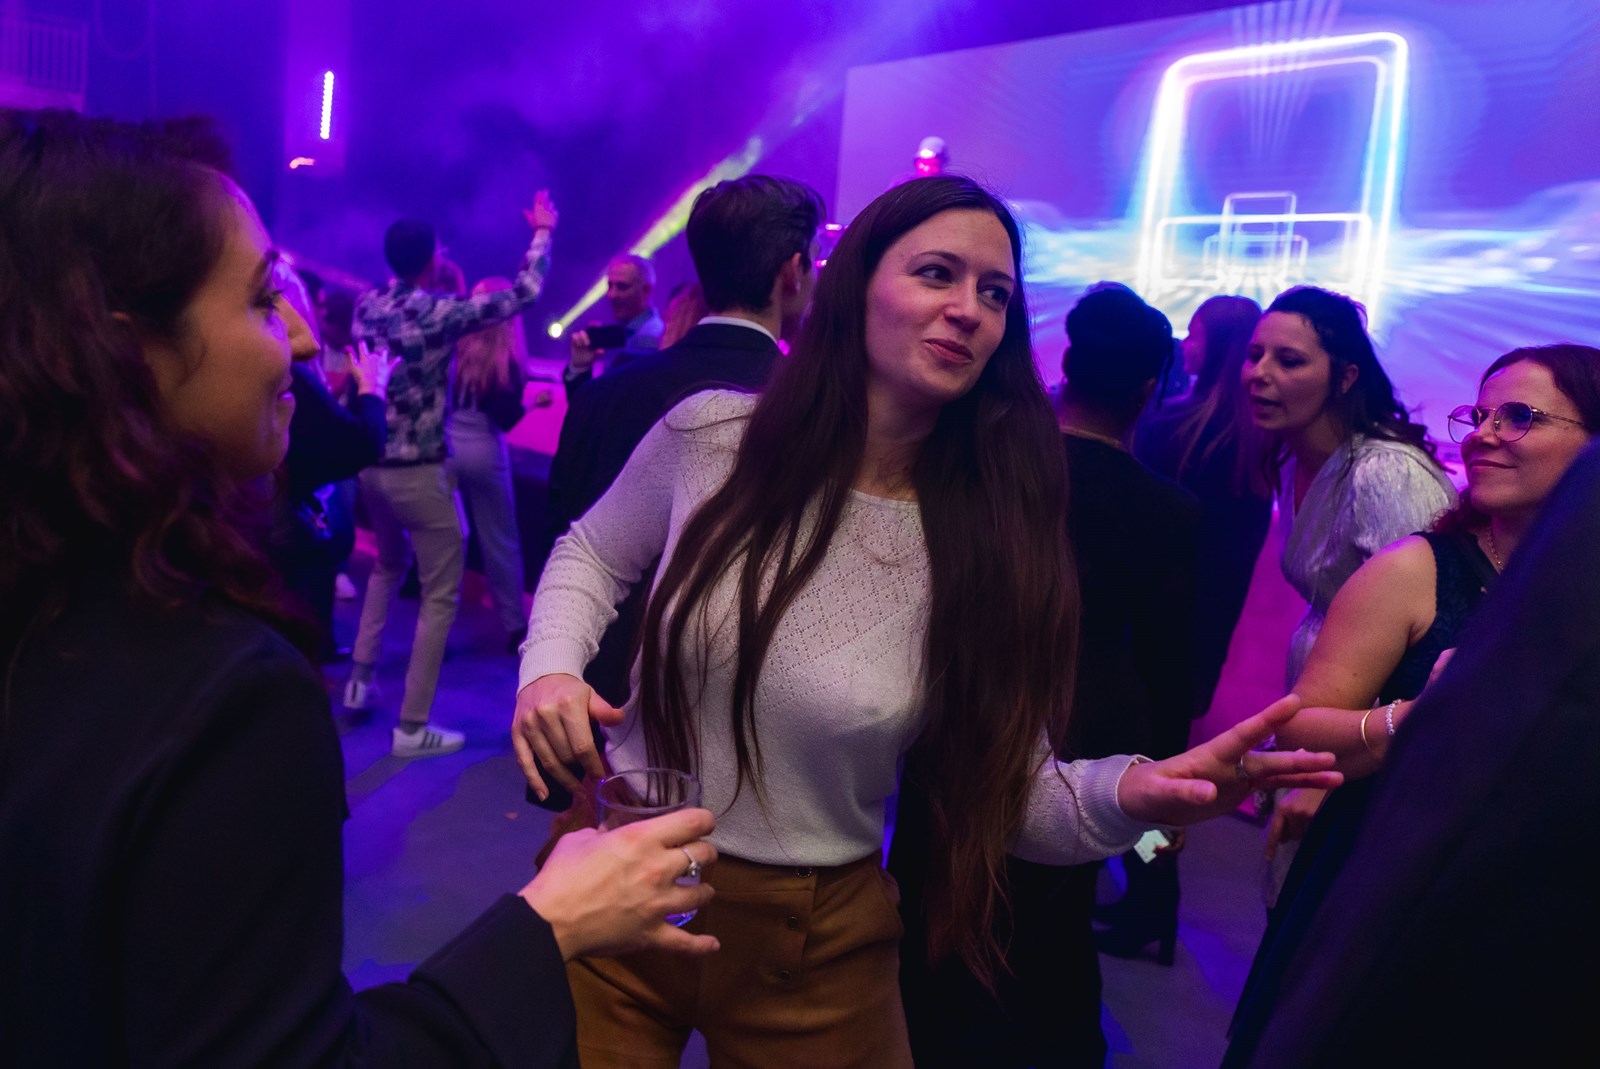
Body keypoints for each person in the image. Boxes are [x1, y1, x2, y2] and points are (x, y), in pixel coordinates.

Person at [511, 175, 1341, 1067]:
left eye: (996, 294)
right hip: (620, 869)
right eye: (938, 273)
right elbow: (593, 552)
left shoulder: (984, 536)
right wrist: (550, 666)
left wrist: (1134, 793)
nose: (969, 309)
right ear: (857, 285)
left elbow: (1008, 790)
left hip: (810, 932)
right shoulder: (715, 434)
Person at [0, 108, 719, 1067]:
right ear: (132, 353)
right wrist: (548, 925)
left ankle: (370, 675)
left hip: (378, 477)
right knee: (450, 578)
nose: (302, 338)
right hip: (423, 470)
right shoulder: (222, 696)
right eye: (264, 298)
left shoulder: (47, 598)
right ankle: (417, 713)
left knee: (387, 573)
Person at [1224, 343, 1600, 1066]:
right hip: (1388, 887)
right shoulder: (1416, 568)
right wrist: (1415, 717)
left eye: (1518, 417)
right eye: (1480, 415)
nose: (1483, 435)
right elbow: (1297, 726)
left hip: (1536, 920)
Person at [893, 285, 1202, 1067]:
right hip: (1091, 720)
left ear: (1066, 364)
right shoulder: (1167, 511)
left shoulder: (983, 471)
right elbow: (1168, 663)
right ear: (1148, 389)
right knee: (1055, 916)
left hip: (962, 707)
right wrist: (1166, 791)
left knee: (934, 882)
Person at [539, 174, 825, 709]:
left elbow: (562, 521)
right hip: (731, 696)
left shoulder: (606, 392)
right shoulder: (813, 408)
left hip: (594, 681)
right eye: (814, 259)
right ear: (793, 271)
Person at [1243, 285, 1456, 882]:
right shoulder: (1295, 458)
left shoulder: (1385, 473)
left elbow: (1428, 639)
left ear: (1345, 377)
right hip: (1324, 732)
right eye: (1255, 355)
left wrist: (1329, 775)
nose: (1259, 374)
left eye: (1289, 360)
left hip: (1369, 758)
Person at [345, 192, 558, 757]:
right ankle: (412, 728)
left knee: (387, 567)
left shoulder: (366, 304)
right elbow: (525, 293)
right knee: (442, 594)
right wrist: (541, 232)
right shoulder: (439, 311)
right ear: (430, 260)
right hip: (419, 472)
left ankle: (359, 680)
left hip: (371, 466)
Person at [1134, 295, 1269, 715]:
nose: (1185, 344)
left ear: (1220, 349)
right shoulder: (1260, 436)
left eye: (1194, 335)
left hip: (1155, 613)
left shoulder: (1175, 427)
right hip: (1212, 613)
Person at [449, 276, 533, 655]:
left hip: (449, 448)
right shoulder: (507, 357)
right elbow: (507, 418)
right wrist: (534, 405)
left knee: (449, 538)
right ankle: (514, 625)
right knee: (500, 540)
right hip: (485, 450)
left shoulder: (455, 347)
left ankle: (438, 616)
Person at [561, 253, 664, 387]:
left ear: (646, 290)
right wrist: (580, 367)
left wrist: (580, 371)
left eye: (622, 287)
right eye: (610, 286)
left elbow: (610, 398)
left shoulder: (648, 339)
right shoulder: (628, 334)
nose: (611, 295)